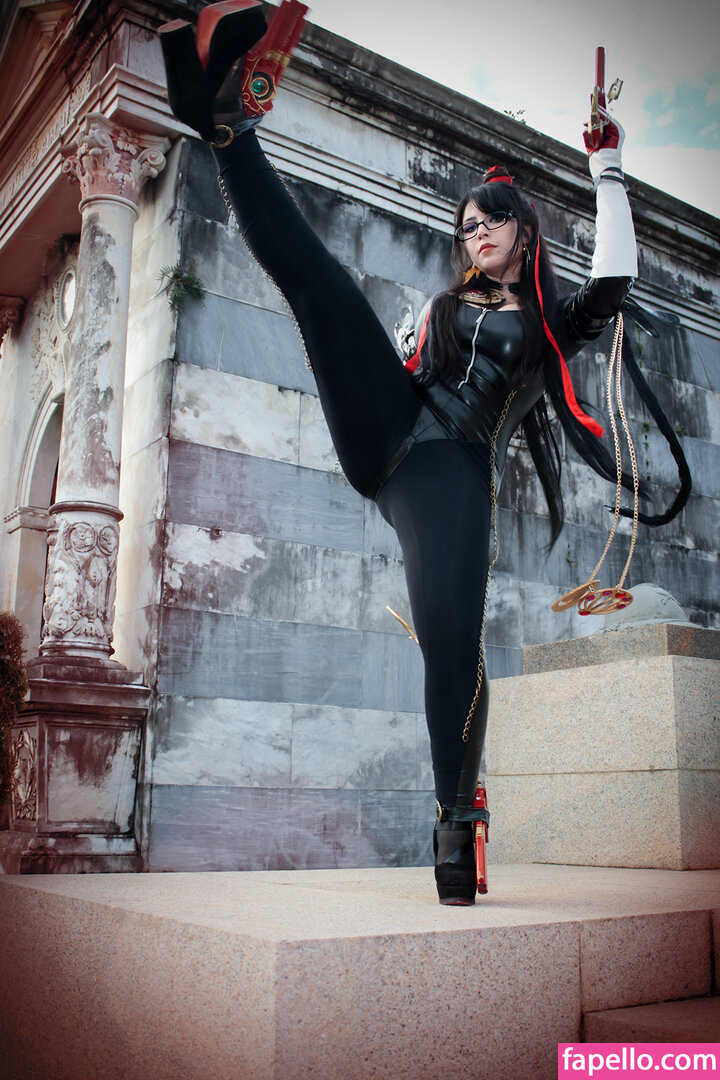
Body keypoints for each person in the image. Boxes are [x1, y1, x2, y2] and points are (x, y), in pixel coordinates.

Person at [159, 0, 675, 905]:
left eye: (493, 221)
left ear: (524, 232)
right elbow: (400, 355)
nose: (477, 233)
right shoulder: (443, 307)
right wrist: (407, 342)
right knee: (324, 289)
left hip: (452, 469)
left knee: (449, 641)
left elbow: (615, 279)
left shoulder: (549, 320)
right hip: (390, 426)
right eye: (467, 225)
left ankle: (454, 818)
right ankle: (227, 126)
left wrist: (607, 167)